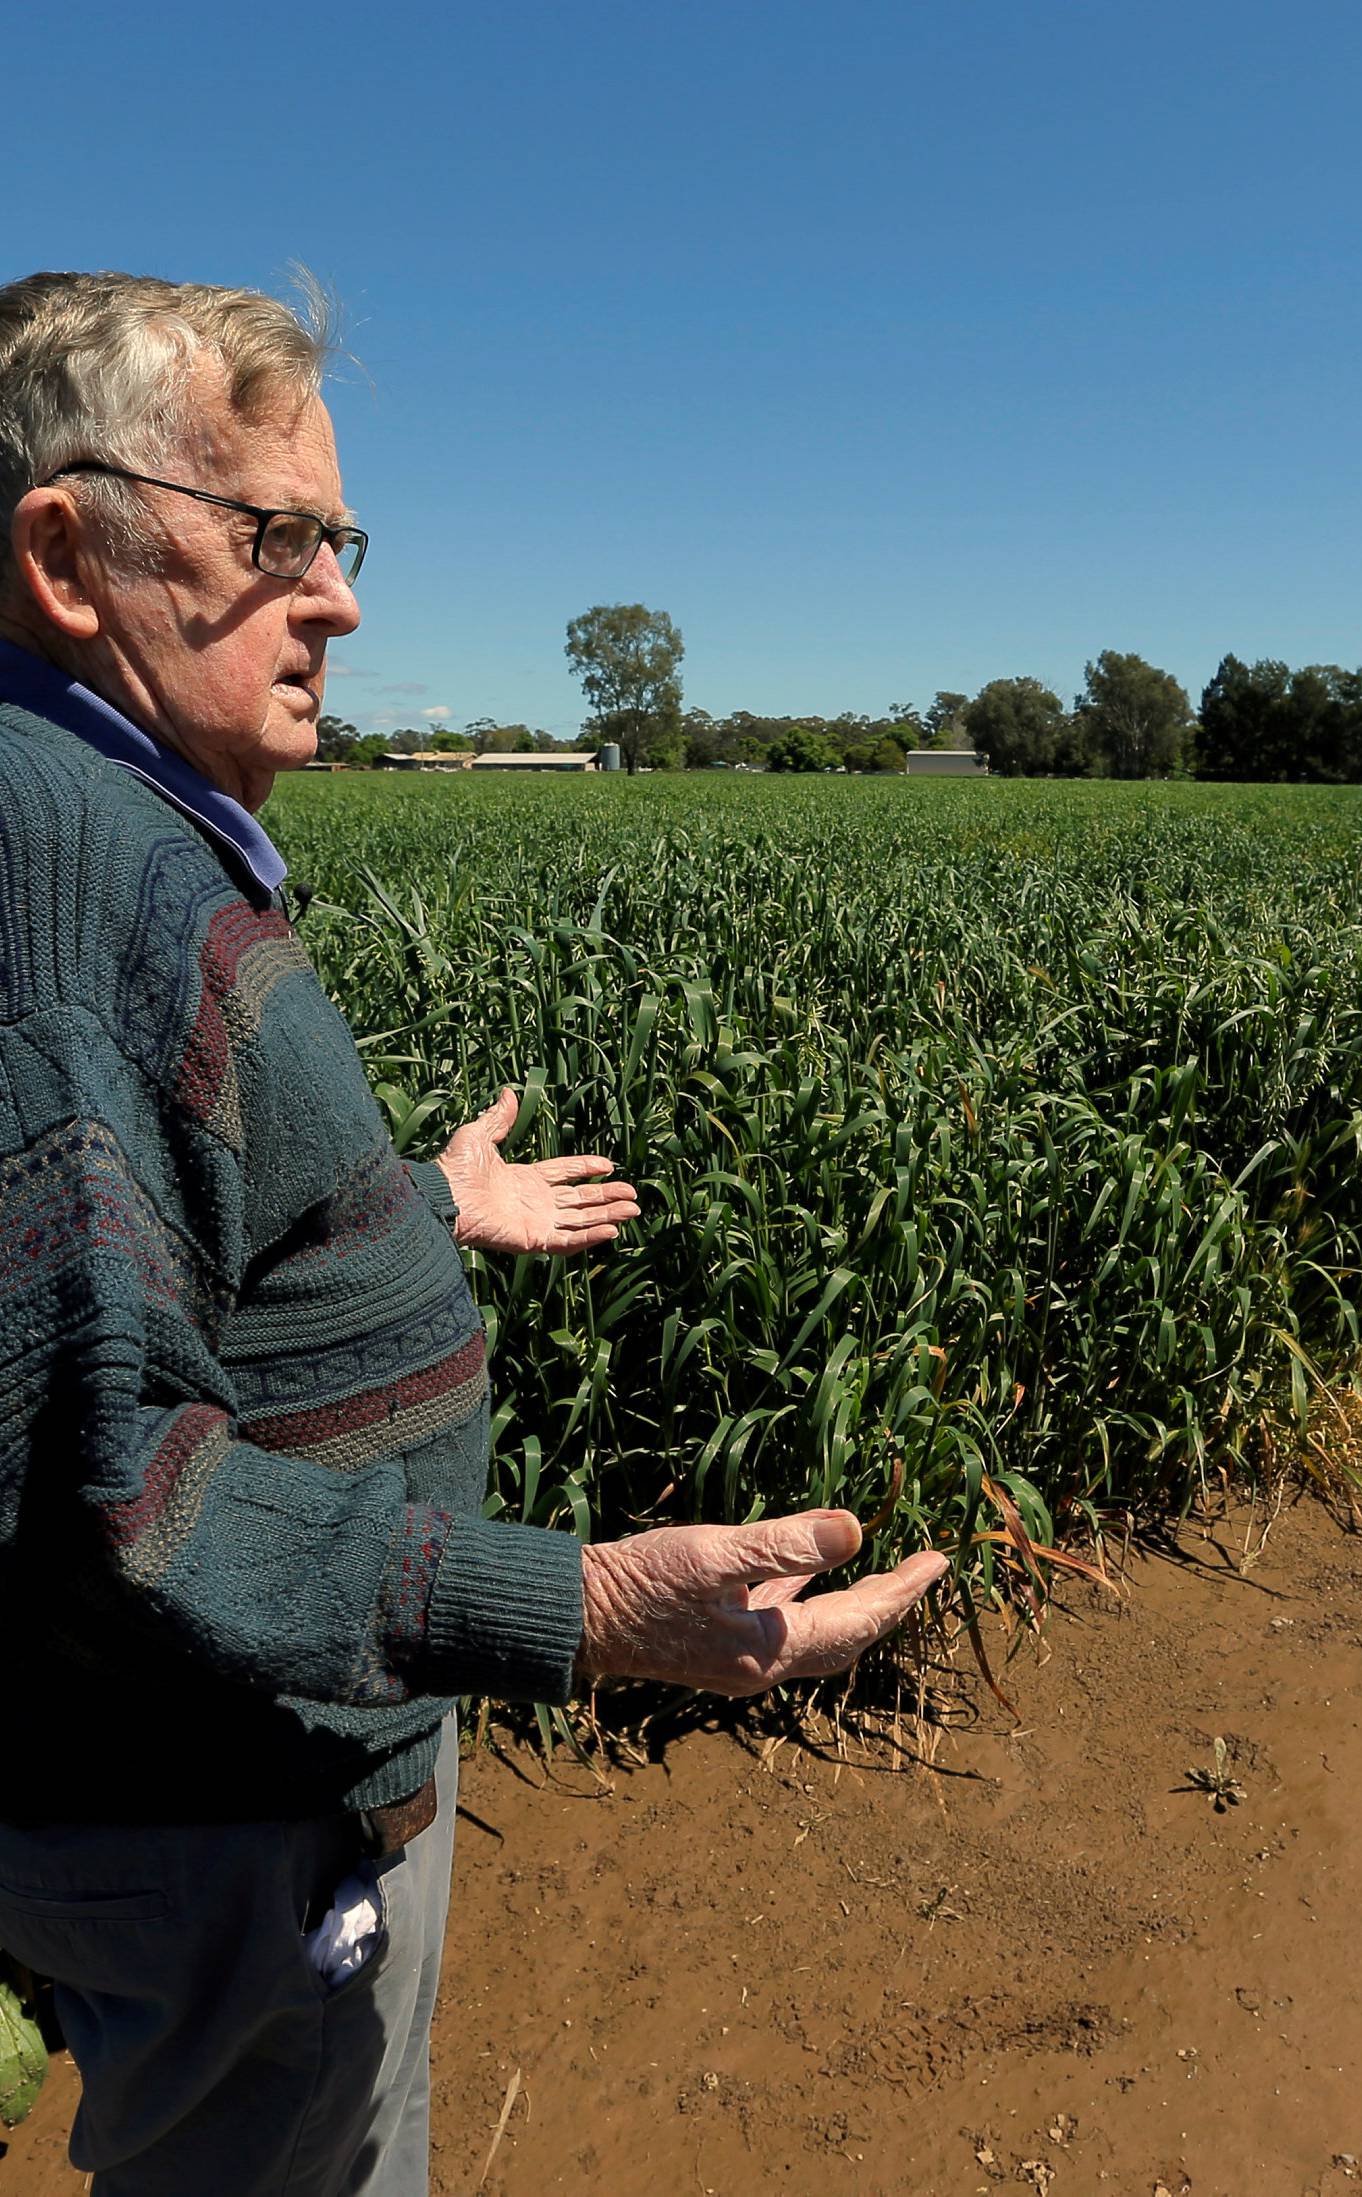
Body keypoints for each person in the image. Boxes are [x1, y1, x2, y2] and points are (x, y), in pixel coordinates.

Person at [0, 270, 946, 2195]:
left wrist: (416, 1210)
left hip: (221, 1809)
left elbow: (129, 1253)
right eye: (272, 538)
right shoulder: (62, 869)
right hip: (224, 1830)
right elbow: (111, 1485)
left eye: (338, 540)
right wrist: (581, 1607)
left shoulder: (101, 829)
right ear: (66, 554)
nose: (339, 600)